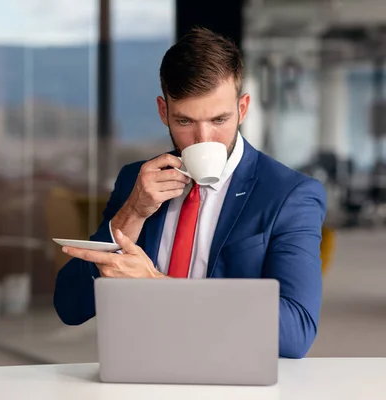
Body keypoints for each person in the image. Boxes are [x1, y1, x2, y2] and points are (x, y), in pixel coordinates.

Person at [53, 27, 326, 359]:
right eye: (184, 122)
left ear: (242, 108)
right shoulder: (135, 182)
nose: (203, 138)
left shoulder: (290, 196)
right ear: (163, 111)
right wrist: (133, 214)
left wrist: (159, 287)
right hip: (138, 375)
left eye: (219, 119)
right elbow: (70, 306)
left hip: (232, 379)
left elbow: (296, 331)